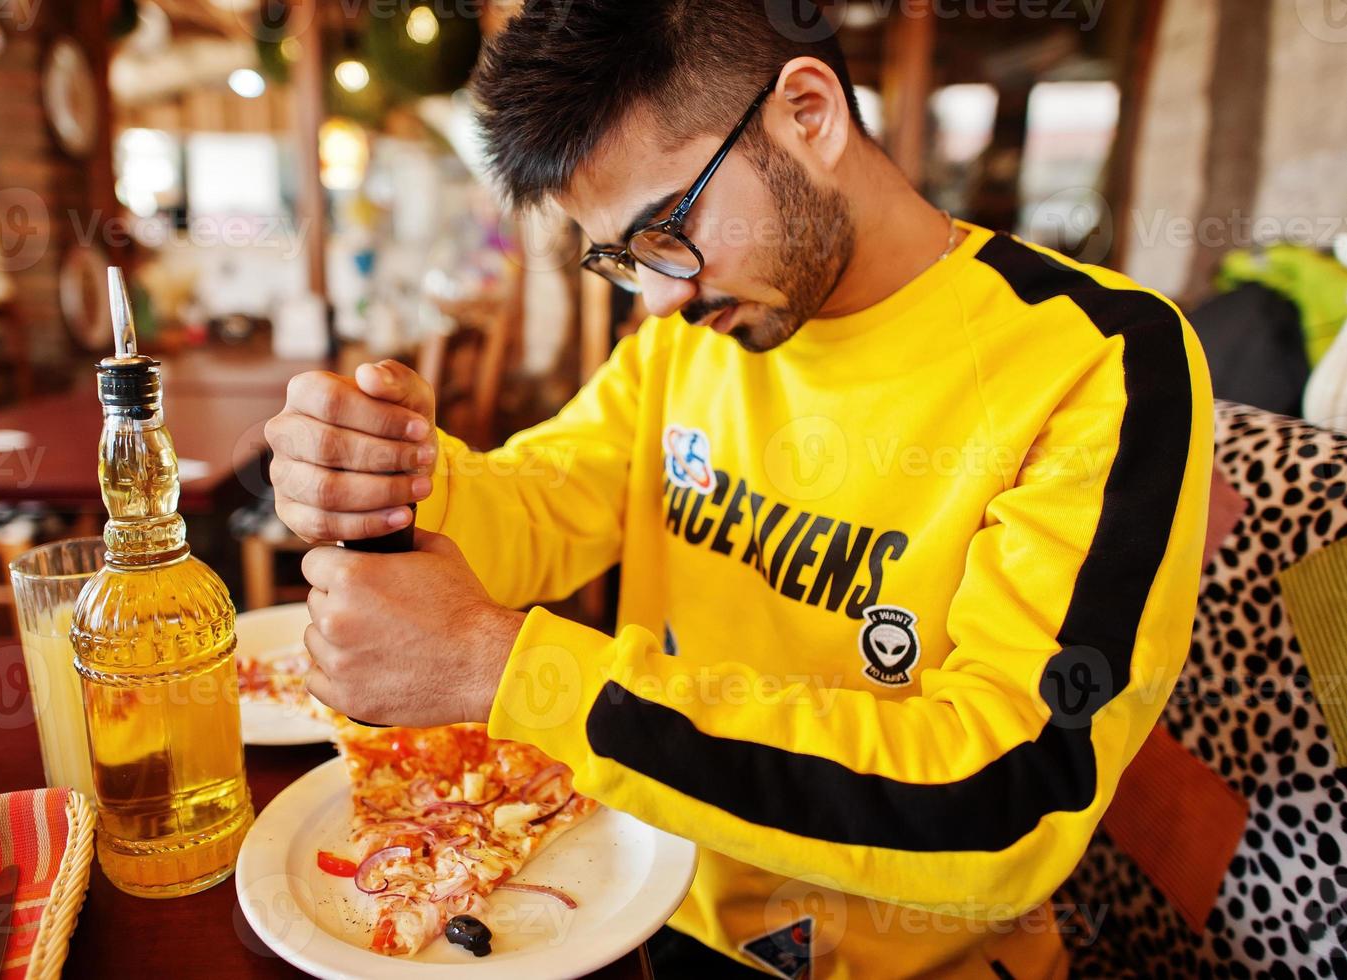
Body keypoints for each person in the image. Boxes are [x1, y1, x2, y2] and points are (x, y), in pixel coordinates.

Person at [263, 2, 1214, 975]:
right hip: (649, 911)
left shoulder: (1098, 360)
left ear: (808, 113)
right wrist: (396, 475)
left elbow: (1008, 796)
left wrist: (510, 668)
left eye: (667, 228)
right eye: (623, 259)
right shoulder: (688, 336)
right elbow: (544, 501)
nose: (660, 297)